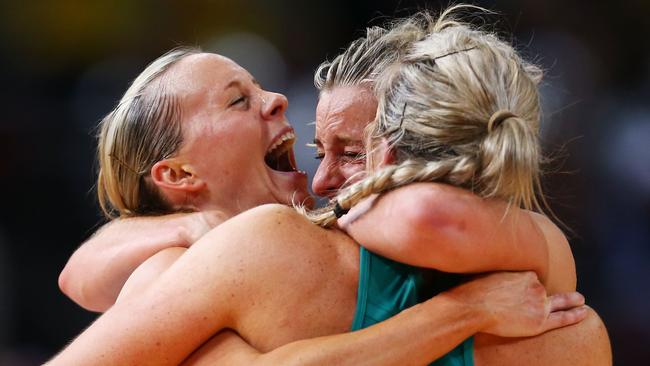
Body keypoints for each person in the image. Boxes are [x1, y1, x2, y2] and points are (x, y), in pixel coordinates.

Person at [52, 6, 608, 366]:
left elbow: (429, 216)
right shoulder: (559, 310)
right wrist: (464, 313)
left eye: (349, 153)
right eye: (239, 100)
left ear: (391, 151)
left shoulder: (274, 245)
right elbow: (81, 275)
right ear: (178, 176)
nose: (277, 99)